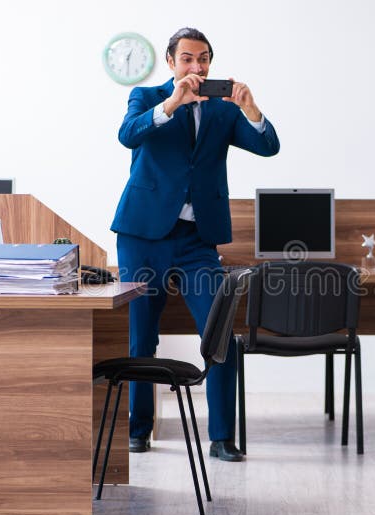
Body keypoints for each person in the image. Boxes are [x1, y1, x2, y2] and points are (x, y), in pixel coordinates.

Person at [111, 27, 280, 462]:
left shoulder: (223, 111)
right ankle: (139, 429)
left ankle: (222, 437)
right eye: (187, 58)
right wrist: (172, 104)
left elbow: (268, 147)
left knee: (220, 335)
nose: (197, 67)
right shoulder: (147, 97)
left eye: (203, 58)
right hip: (143, 234)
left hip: (196, 241)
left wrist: (250, 108)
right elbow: (128, 135)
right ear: (171, 62)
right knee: (141, 338)